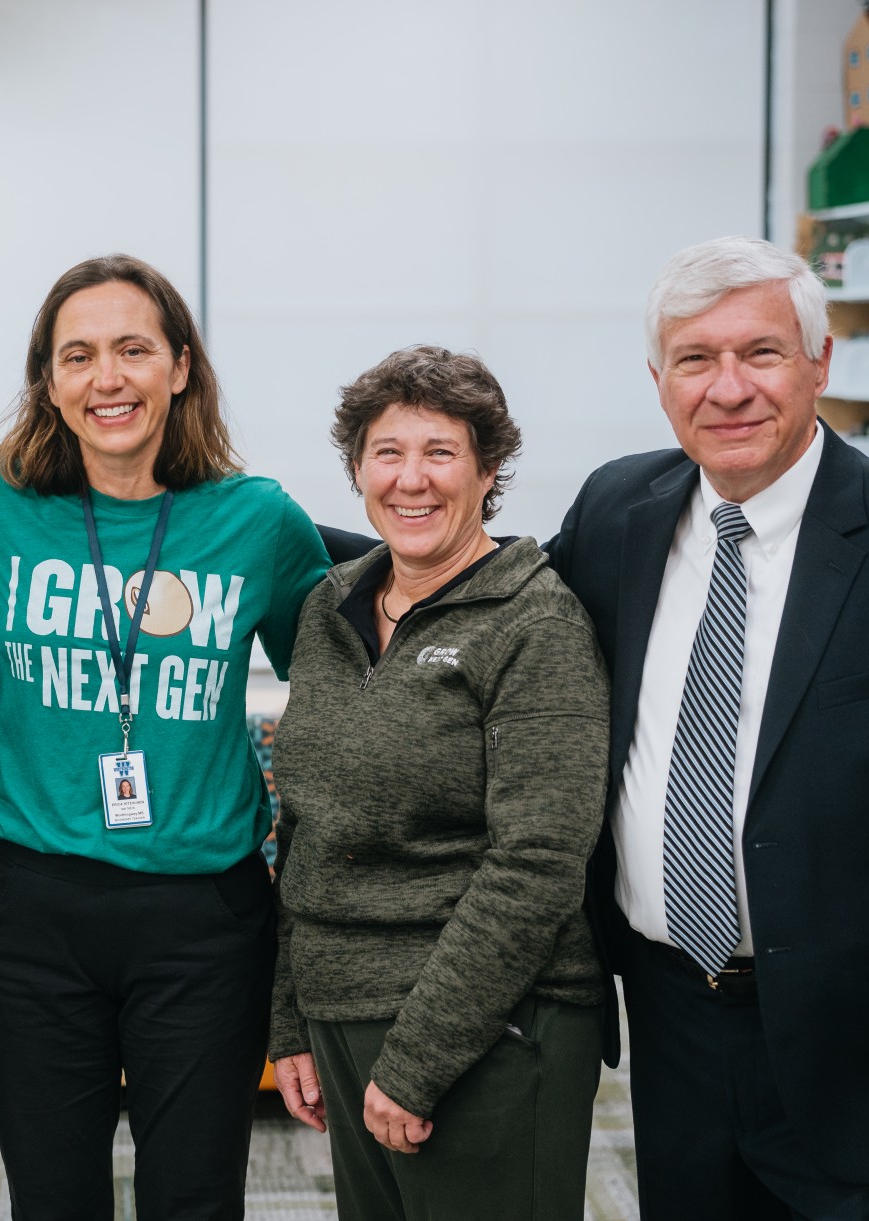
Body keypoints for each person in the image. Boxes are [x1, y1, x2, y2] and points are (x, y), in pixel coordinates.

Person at [545, 235, 869, 1218]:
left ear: (819, 362)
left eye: (759, 353)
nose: (725, 389)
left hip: (865, 1049)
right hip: (670, 1015)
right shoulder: (617, 511)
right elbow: (491, 599)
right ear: (658, 382)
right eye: (694, 360)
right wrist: (293, 550)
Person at [0, 253, 330, 1221]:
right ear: (49, 382)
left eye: (132, 350)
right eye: (77, 356)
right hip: (33, 911)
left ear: (179, 367)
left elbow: (347, 668)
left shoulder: (257, 521)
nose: (106, 378)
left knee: (193, 1199)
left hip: (204, 921)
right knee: (53, 1201)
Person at [267, 346, 609, 1221]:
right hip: (343, 1016)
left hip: (486, 1031)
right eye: (387, 452)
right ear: (355, 468)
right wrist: (291, 1021)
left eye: (440, 452)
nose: (410, 479)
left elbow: (537, 863)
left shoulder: (536, 622)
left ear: (489, 469)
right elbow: (302, 828)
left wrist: (419, 1058)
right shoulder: (330, 606)